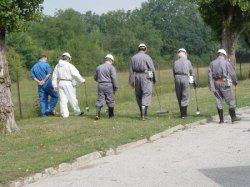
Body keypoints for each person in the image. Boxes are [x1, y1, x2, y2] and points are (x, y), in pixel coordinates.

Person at [208, 49, 241, 123]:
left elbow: (210, 76)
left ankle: (221, 120)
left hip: (215, 83)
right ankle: (233, 117)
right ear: (224, 55)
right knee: (230, 100)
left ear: (219, 54)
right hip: (224, 83)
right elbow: (232, 73)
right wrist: (235, 81)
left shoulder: (212, 63)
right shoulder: (226, 62)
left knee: (218, 101)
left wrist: (211, 87)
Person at [52, 52, 85, 118]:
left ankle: (65, 114)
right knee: (72, 98)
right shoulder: (69, 65)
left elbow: (54, 76)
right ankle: (77, 112)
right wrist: (82, 80)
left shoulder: (57, 65)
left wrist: (55, 85)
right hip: (68, 83)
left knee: (63, 99)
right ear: (68, 58)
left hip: (60, 83)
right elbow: (76, 74)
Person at [129, 43, 156, 120]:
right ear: (145, 49)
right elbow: (152, 69)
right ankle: (144, 115)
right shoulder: (147, 57)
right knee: (146, 94)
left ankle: (142, 113)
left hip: (136, 76)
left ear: (138, 49)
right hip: (146, 76)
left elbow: (131, 71)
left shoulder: (133, 57)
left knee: (139, 95)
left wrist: (132, 82)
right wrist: (154, 79)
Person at [94, 54, 118, 120]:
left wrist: (100, 80)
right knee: (110, 100)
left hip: (100, 85)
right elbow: (114, 78)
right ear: (111, 60)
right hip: (109, 85)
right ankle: (111, 115)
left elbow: (95, 78)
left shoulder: (98, 67)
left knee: (100, 99)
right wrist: (115, 86)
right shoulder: (111, 67)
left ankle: (97, 115)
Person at [173, 48, 195, 118]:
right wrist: (194, 82)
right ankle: (184, 114)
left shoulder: (175, 62)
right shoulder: (188, 62)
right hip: (185, 77)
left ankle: (182, 112)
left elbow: (173, 72)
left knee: (179, 95)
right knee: (185, 95)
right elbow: (191, 72)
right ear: (185, 54)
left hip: (177, 78)